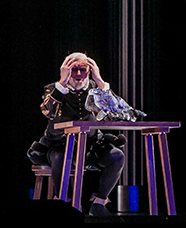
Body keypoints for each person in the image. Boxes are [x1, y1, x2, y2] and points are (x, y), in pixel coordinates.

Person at [28, 52, 126, 216]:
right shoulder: (53, 89)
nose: (79, 74)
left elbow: (115, 112)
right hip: (60, 146)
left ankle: (99, 202)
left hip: (90, 147)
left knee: (117, 156)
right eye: (74, 69)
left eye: (83, 69)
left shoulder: (96, 90)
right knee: (60, 158)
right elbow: (48, 112)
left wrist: (100, 82)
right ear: (66, 70)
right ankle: (63, 202)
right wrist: (62, 83)